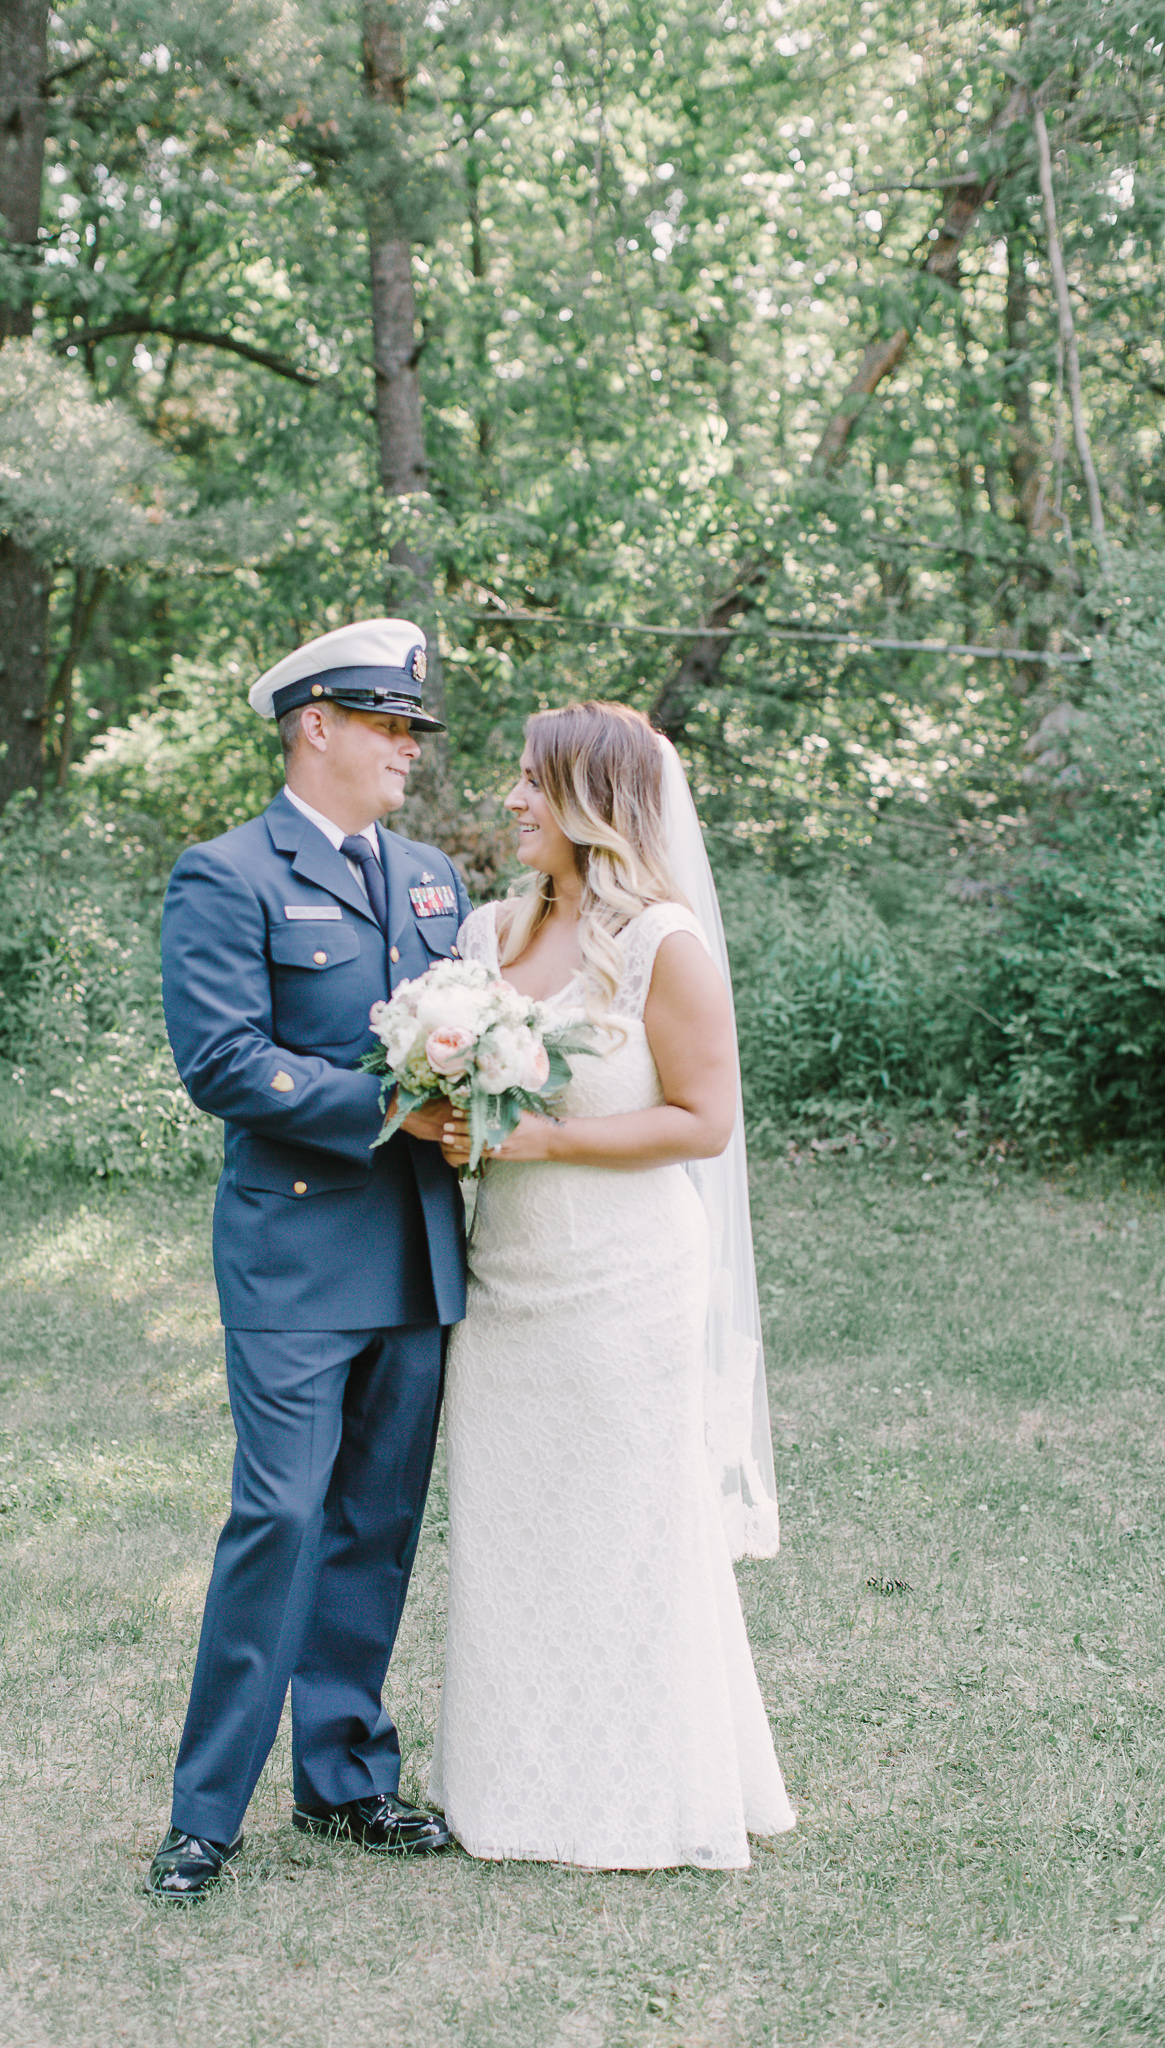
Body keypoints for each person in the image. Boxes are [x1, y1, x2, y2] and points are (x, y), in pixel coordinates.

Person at [428, 702, 795, 1870]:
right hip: (508, 1277)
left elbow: (706, 1117)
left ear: (591, 799)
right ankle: (510, 1786)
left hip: (624, 1274)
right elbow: (461, 1088)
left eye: (533, 783)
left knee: (628, 1527)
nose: (513, 801)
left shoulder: (661, 942)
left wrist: (540, 1144)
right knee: (512, 1527)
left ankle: (642, 1794)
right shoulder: (490, 932)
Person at [146, 618, 470, 1900]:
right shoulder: (225, 874)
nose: (407, 749)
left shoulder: (436, 873)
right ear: (314, 727)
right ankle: (206, 1812)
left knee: (376, 1520)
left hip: (415, 1250)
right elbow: (220, 1061)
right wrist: (397, 1103)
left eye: (412, 730)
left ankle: (346, 1778)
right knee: (278, 1514)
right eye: (387, 726)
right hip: (292, 1249)